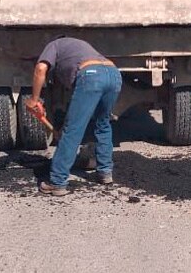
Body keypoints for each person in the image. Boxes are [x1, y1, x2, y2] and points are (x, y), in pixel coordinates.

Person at [26, 36, 122, 196]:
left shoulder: (54, 44)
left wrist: (34, 100)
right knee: (103, 123)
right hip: (114, 74)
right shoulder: (79, 46)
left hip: (91, 75)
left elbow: (41, 69)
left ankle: (57, 182)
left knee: (73, 131)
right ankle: (105, 172)